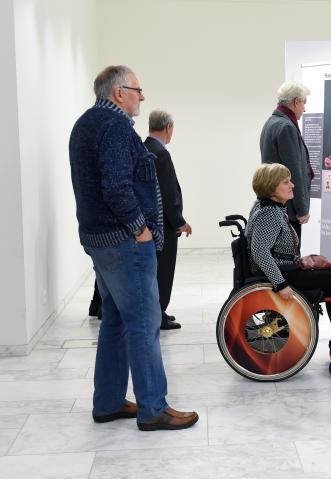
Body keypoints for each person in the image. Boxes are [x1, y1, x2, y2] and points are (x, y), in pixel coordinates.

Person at [69, 65, 198, 431]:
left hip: (100, 242)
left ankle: (108, 402)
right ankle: (153, 407)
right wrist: (140, 229)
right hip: (123, 242)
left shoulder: (86, 123)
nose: (142, 96)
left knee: (115, 321)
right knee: (144, 323)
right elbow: (115, 187)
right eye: (137, 89)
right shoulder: (113, 126)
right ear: (118, 93)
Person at [246, 164, 331, 356]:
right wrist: (280, 284)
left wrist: (299, 259)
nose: (293, 185)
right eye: (286, 182)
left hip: (285, 267)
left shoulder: (268, 206)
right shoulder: (269, 213)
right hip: (281, 274)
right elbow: (260, 252)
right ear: (271, 187)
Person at [144, 110, 192, 331]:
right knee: (164, 270)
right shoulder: (161, 154)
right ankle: (158, 314)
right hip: (164, 225)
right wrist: (179, 221)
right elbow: (168, 191)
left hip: (150, 223)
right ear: (168, 128)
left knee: (154, 269)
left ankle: (157, 311)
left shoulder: (145, 148)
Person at [260, 81, 313, 244]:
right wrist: (302, 210)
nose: (304, 109)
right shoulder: (286, 127)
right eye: (304, 103)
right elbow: (294, 172)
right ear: (296, 101)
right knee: (289, 260)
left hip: (274, 205)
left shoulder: (271, 122)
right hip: (287, 210)